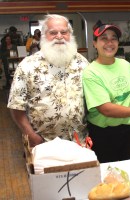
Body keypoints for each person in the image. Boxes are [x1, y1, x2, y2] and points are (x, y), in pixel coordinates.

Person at [82, 20, 130, 163]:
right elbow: (106, 109)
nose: (109, 42)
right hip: (105, 135)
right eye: (104, 38)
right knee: (109, 176)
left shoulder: (125, 65)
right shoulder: (91, 73)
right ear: (94, 43)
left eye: (114, 38)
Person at [7, 14, 90, 147]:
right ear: (44, 35)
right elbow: (16, 106)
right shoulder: (28, 65)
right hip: (43, 145)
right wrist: (31, 136)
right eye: (53, 32)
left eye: (64, 32)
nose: (59, 36)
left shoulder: (82, 63)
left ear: (70, 35)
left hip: (79, 142)